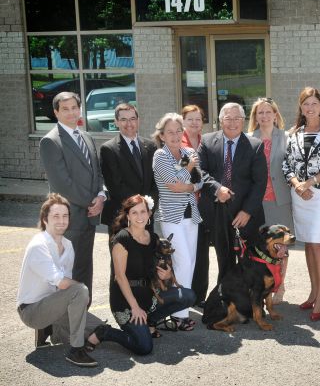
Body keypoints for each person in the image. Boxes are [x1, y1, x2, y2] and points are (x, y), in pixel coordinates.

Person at [89, 195, 196, 355]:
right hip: (126, 303)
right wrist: (135, 308)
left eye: (143, 212)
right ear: (128, 216)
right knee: (144, 347)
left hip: (149, 298)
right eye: (134, 213)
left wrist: (167, 275)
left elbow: (153, 268)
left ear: (149, 214)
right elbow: (120, 277)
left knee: (188, 296)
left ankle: (150, 320)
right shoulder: (121, 239)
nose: (140, 217)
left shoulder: (152, 238)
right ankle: (105, 332)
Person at [17, 194, 104, 367]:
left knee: (101, 329)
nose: (61, 221)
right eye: (56, 216)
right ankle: (76, 350)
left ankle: (53, 329)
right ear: (45, 219)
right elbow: (63, 283)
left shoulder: (68, 245)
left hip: (54, 306)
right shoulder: (39, 245)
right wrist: (82, 291)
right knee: (80, 290)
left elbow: (65, 289)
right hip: (31, 310)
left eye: (65, 216)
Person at [283, 87, 320, 321]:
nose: (310, 108)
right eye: (306, 104)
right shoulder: (295, 133)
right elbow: (286, 165)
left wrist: (307, 184)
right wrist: (297, 185)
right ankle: (312, 291)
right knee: (308, 244)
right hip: (300, 195)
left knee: (317, 245)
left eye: (314, 103)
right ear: (301, 107)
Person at [39, 91, 105, 304]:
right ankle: (65, 323)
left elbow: (97, 172)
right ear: (56, 112)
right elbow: (62, 184)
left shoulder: (87, 136)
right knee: (66, 271)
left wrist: (101, 197)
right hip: (68, 219)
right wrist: (90, 202)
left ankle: (84, 314)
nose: (70, 113)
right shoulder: (51, 141)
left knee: (85, 267)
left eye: (74, 108)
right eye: (65, 109)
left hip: (89, 217)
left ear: (80, 109)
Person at [198, 102, 267, 284]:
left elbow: (260, 183)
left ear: (243, 121)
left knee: (251, 263)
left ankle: (251, 304)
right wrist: (216, 188)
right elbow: (199, 171)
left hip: (246, 215)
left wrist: (247, 211)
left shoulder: (255, 145)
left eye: (237, 118)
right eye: (228, 118)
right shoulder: (206, 140)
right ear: (221, 121)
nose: (233, 122)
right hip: (218, 213)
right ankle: (226, 303)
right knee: (224, 262)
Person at [152, 113, 203, 330]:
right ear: (162, 135)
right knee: (182, 261)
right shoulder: (160, 155)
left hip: (191, 214)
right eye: (170, 132)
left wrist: (188, 183)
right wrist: (187, 171)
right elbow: (172, 183)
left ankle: (182, 304)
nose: (175, 135)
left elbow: (198, 181)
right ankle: (180, 314)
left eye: (178, 131)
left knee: (190, 261)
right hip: (171, 216)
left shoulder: (188, 152)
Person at [248, 97, 293, 303]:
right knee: (260, 247)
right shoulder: (248, 138)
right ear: (255, 117)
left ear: (275, 115)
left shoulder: (287, 137)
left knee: (281, 247)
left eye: (268, 112)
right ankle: (260, 288)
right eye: (260, 112)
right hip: (257, 201)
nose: (264, 116)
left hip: (280, 200)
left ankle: (280, 286)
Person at [100, 103, 158, 238]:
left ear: (138, 121)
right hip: (122, 216)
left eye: (132, 119)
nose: (129, 123)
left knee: (145, 257)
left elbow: (156, 183)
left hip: (147, 215)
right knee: (122, 258)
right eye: (123, 119)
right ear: (116, 122)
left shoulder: (151, 146)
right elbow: (115, 186)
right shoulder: (108, 149)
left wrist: (148, 209)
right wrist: (138, 209)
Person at [181, 105, 210, 308]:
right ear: (183, 121)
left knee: (201, 253)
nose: (194, 123)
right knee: (183, 253)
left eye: (198, 119)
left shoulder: (206, 142)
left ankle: (199, 296)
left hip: (203, 205)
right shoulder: (175, 142)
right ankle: (182, 295)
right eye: (190, 119)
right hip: (182, 205)